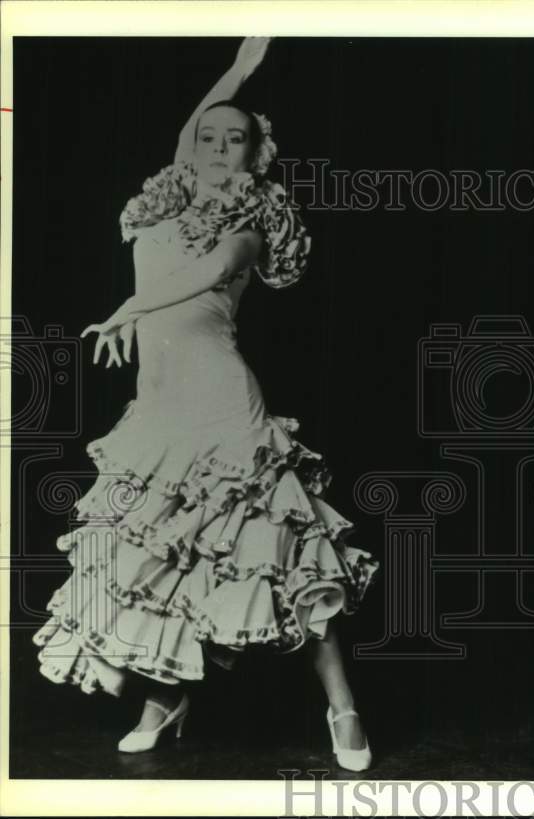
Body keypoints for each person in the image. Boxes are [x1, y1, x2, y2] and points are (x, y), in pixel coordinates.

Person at [32, 38, 380, 772]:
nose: (220, 147)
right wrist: (241, 70)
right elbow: (202, 124)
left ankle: (342, 705)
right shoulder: (168, 196)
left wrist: (126, 306)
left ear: (256, 157)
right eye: (209, 137)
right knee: (158, 560)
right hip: (157, 408)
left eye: (238, 140)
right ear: (191, 147)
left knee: (277, 558)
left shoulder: (248, 228)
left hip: (223, 406)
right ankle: (165, 698)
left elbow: (205, 275)